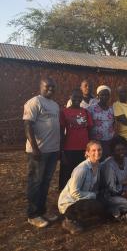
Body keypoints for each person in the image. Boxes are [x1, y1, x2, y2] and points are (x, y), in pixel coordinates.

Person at [23, 77, 60, 228]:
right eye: (47, 86)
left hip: (52, 150)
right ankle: (32, 215)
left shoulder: (55, 105)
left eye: (53, 87)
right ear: (40, 87)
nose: (50, 89)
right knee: (35, 182)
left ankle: (41, 211)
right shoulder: (34, 102)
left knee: (45, 183)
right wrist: (35, 148)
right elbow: (27, 126)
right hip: (38, 151)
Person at [58, 141, 106, 234]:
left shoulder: (98, 166)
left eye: (99, 150)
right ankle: (69, 220)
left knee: (104, 204)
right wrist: (92, 195)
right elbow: (74, 193)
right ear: (87, 152)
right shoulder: (82, 169)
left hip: (83, 199)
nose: (97, 152)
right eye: (93, 150)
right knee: (95, 205)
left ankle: (81, 218)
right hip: (70, 202)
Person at [59, 88, 93, 190]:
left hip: (83, 148)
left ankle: (79, 195)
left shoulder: (85, 112)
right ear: (70, 97)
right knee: (67, 174)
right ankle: (65, 197)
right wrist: (61, 150)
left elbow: (89, 131)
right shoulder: (64, 112)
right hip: (69, 148)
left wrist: (89, 149)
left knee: (82, 173)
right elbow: (61, 132)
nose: (77, 99)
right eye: (75, 96)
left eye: (79, 97)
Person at [101, 136, 127, 221]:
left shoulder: (126, 159)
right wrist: (123, 191)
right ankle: (115, 211)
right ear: (113, 151)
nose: (121, 152)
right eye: (118, 150)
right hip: (112, 196)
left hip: (126, 191)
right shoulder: (109, 165)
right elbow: (111, 188)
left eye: (123, 149)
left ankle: (120, 212)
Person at [88, 85, 115, 160]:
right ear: (98, 96)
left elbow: (113, 124)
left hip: (109, 141)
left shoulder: (111, 109)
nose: (105, 97)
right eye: (102, 94)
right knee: (96, 161)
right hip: (96, 142)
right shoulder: (91, 109)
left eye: (107, 95)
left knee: (107, 161)